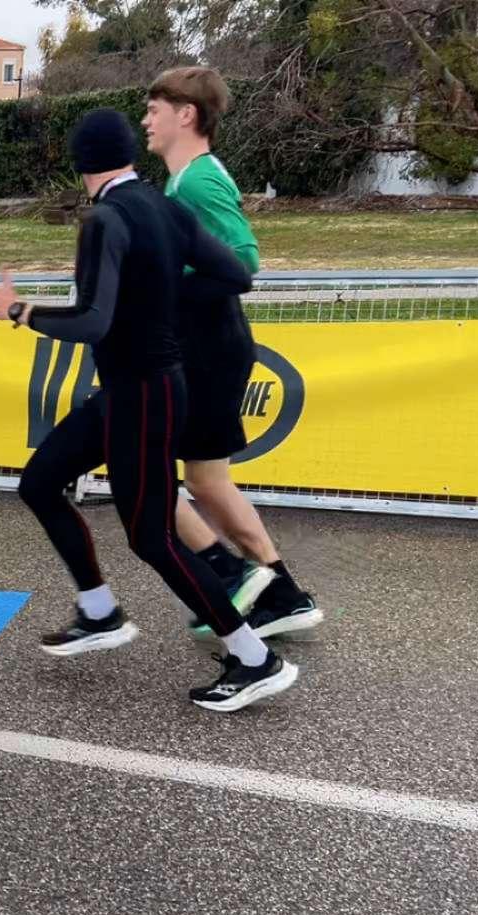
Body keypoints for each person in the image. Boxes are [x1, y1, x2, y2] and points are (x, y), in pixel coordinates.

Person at [0, 108, 299, 713]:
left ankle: (254, 657)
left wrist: (18, 312)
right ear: (127, 154)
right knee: (41, 482)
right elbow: (235, 274)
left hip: (145, 392)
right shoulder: (163, 205)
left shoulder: (105, 218)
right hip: (135, 389)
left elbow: (92, 322)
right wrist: (158, 295)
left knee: (152, 538)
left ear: (81, 165)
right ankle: (99, 612)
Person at [143, 66, 325, 639]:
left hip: (207, 349)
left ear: (186, 114)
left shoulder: (197, 181)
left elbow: (243, 261)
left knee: (145, 475)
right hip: (206, 344)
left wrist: (166, 287)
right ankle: (280, 593)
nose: (145, 120)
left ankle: (238, 579)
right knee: (205, 480)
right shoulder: (185, 181)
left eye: (154, 109)